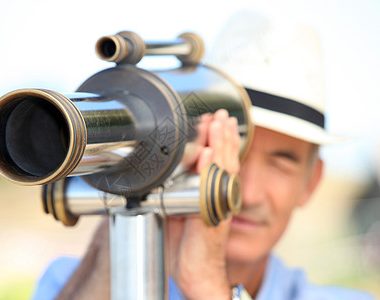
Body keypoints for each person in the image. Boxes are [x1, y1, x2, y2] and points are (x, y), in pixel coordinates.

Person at [31, 10, 375, 300]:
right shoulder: (68, 283)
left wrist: (208, 285)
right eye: (228, 150)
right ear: (184, 148)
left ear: (311, 183)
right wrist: (129, 203)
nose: (248, 192)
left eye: (281, 163)